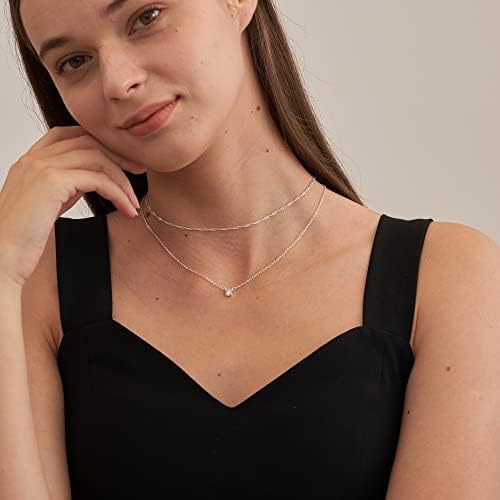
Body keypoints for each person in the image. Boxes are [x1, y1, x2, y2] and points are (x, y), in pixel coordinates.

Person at [1, 1, 499, 499]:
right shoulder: (33, 280)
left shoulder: (447, 278)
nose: (118, 81)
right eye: (74, 61)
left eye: (146, 17)